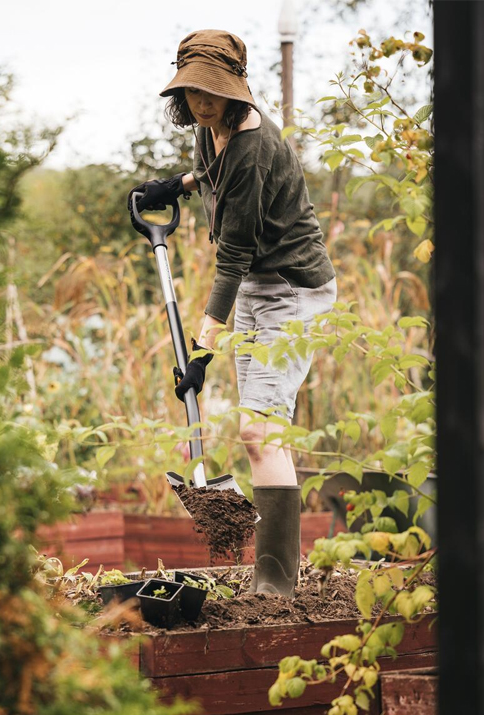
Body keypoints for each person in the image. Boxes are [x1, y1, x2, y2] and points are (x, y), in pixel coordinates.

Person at [127, 29, 336, 598]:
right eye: (193, 90)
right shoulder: (210, 128)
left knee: (258, 430)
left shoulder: (254, 145)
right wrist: (181, 183)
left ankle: (275, 586)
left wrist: (200, 354)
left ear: (235, 88)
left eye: (211, 91)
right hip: (259, 286)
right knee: (264, 430)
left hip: (290, 289)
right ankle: (276, 574)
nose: (201, 102)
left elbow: (233, 262)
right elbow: (217, 175)